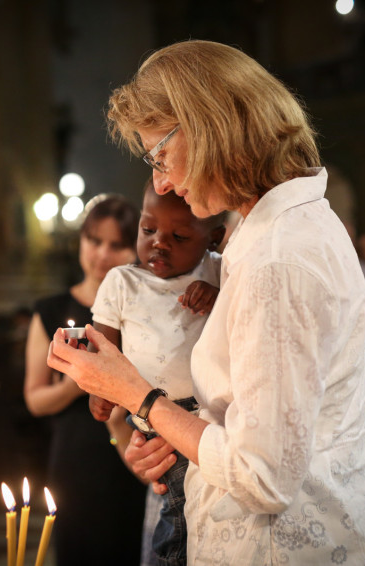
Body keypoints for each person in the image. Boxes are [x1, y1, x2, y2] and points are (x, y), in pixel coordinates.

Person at [48, 40, 365, 564]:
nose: (161, 182)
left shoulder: (278, 259)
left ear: (208, 129)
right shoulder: (270, 225)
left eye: (160, 155)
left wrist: (141, 397)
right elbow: (249, 407)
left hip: (267, 544)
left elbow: (262, 475)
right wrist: (171, 434)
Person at [90, 181, 226, 566]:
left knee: (192, 514)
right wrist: (100, 393)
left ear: (213, 238)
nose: (160, 243)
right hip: (154, 418)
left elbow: (240, 320)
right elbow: (104, 353)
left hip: (206, 419)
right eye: (148, 230)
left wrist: (217, 298)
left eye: (179, 236)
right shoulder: (122, 282)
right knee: (176, 514)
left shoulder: (219, 273)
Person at [23, 194, 146, 566]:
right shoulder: (51, 311)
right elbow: (35, 399)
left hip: (132, 447)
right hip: (76, 452)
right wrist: (80, 382)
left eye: (117, 244)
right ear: (81, 241)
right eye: (94, 241)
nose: (102, 254)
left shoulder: (142, 310)